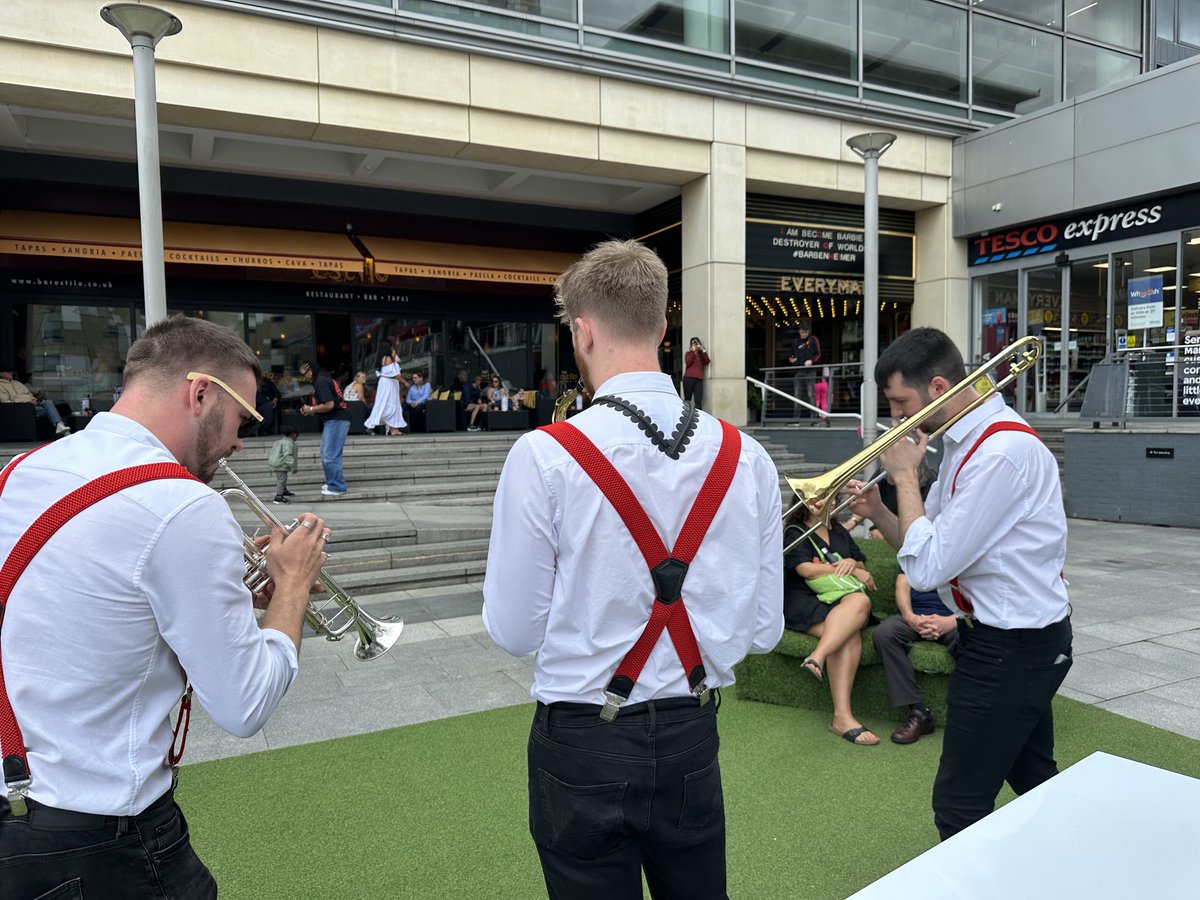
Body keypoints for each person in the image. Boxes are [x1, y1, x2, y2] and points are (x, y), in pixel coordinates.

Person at [483, 239, 783, 900]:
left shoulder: (543, 455)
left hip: (582, 739)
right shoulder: (749, 456)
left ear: (582, 330)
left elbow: (514, 630)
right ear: (664, 328)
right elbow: (764, 633)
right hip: (691, 737)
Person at [0, 315, 329, 899]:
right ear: (201, 392)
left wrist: (219, 599)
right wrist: (295, 587)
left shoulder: (19, 473)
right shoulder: (183, 506)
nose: (239, 440)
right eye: (243, 418)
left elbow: (74, 610)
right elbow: (245, 704)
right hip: (110, 840)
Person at [849, 326, 1071, 841]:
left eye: (903, 403)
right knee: (1035, 778)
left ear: (939, 386)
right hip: (1008, 641)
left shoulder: (999, 453)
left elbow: (927, 569)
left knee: (958, 807)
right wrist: (881, 509)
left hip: (1012, 648)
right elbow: (926, 548)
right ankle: (1073, 866)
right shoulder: (967, 443)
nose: (898, 418)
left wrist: (905, 479)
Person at [783, 501, 879, 745]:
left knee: (859, 601)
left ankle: (817, 656)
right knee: (849, 634)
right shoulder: (795, 530)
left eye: (835, 497)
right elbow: (804, 569)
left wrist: (854, 565)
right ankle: (842, 717)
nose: (833, 502)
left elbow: (859, 561)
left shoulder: (838, 529)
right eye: (827, 496)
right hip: (805, 601)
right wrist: (850, 570)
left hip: (842, 602)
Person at [871, 572, 958, 744]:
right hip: (914, 617)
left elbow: (980, 596)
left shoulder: (967, 549)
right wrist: (911, 618)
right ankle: (919, 713)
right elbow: (902, 584)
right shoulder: (917, 546)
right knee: (884, 634)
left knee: (974, 640)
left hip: (954, 619)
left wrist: (950, 621)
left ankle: (969, 715)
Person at [299, 360, 351, 496]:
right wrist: (312, 409)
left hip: (336, 419)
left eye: (304, 374)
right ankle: (331, 483)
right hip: (336, 420)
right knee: (328, 453)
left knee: (330, 455)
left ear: (310, 370)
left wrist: (311, 409)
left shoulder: (320, 382)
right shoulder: (324, 379)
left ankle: (337, 487)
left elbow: (329, 405)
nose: (304, 377)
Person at [0, 365, 71, 436]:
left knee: (48, 402)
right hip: (20, 409)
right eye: (8, 372)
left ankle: (59, 425)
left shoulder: (17, 383)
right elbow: (6, 403)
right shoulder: (1, 385)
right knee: (48, 411)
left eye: (11, 371)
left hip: (32, 405)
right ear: (1, 374)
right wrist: (27, 402)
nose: (11, 373)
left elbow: (29, 394)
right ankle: (60, 426)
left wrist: (34, 400)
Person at [365, 354, 407, 436]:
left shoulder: (393, 366)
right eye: (387, 360)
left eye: (390, 359)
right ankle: (370, 424)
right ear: (383, 362)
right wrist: (405, 382)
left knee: (394, 406)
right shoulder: (388, 368)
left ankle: (393, 429)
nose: (389, 361)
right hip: (387, 386)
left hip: (392, 386)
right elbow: (396, 375)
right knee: (383, 406)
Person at [788, 320, 821, 419]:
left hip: (810, 372)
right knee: (797, 395)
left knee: (811, 395)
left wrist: (811, 361)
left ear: (808, 331)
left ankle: (814, 419)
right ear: (799, 331)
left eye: (805, 333)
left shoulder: (813, 340)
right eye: (802, 332)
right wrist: (792, 359)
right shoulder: (795, 341)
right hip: (798, 371)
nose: (803, 334)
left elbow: (818, 354)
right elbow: (792, 355)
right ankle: (796, 420)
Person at [269, 425, 300, 504]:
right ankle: (278, 497)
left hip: (277, 463)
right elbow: (288, 455)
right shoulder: (288, 443)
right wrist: (293, 467)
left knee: (283, 479)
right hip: (281, 465)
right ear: (294, 435)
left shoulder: (279, 442)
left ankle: (284, 490)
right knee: (281, 480)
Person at [682, 336, 710, 410]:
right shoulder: (688, 353)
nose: (695, 345)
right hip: (688, 378)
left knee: (698, 400)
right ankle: (686, 415)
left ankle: (699, 418)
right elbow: (688, 362)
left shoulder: (701, 355)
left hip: (699, 379)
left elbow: (707, 361)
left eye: (696, 343)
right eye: (693, 344)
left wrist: (703, 350)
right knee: (687, 399)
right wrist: (693, 352)